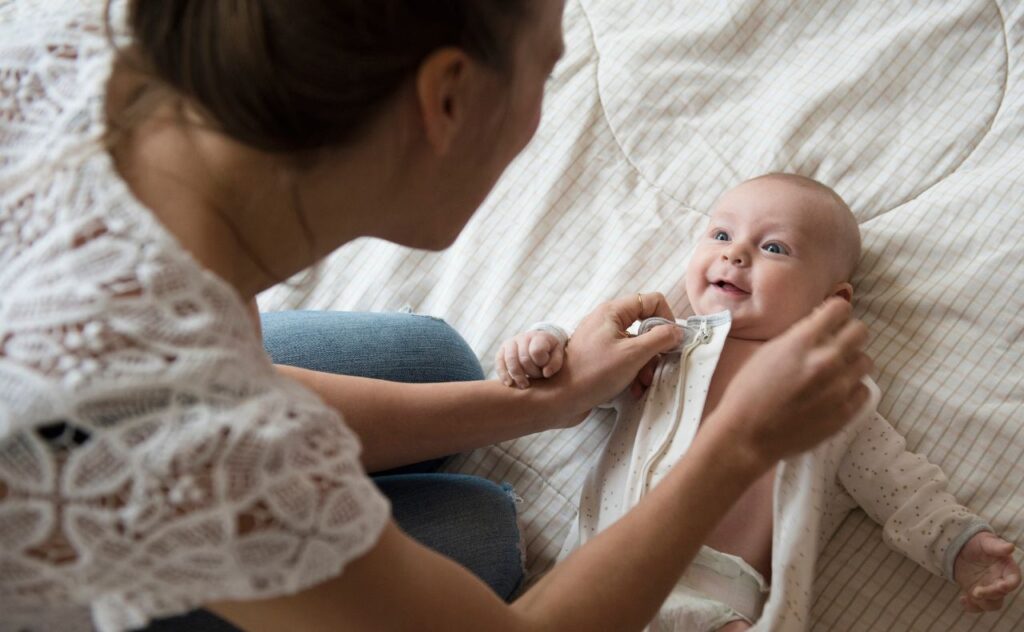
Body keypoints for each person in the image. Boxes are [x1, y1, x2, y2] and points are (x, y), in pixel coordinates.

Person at [0, 2, 874, 631]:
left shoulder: (99, 52)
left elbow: (226, 380)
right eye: (548, 67)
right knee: (483, 542)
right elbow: (186, 417)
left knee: (432, 361)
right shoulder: (164, 424)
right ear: (447, 98)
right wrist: (736, 449)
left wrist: (537, 405)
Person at [497, 174, 1022, 631]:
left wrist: (959, 546)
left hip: (717, 599)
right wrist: (544, 347)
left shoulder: (828, 397)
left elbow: (898, 483)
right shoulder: (660, 346)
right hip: (601, 562)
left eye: (774, 248)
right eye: (721, 234)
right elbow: (581, 382)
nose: (735, 253)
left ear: (829, 304)